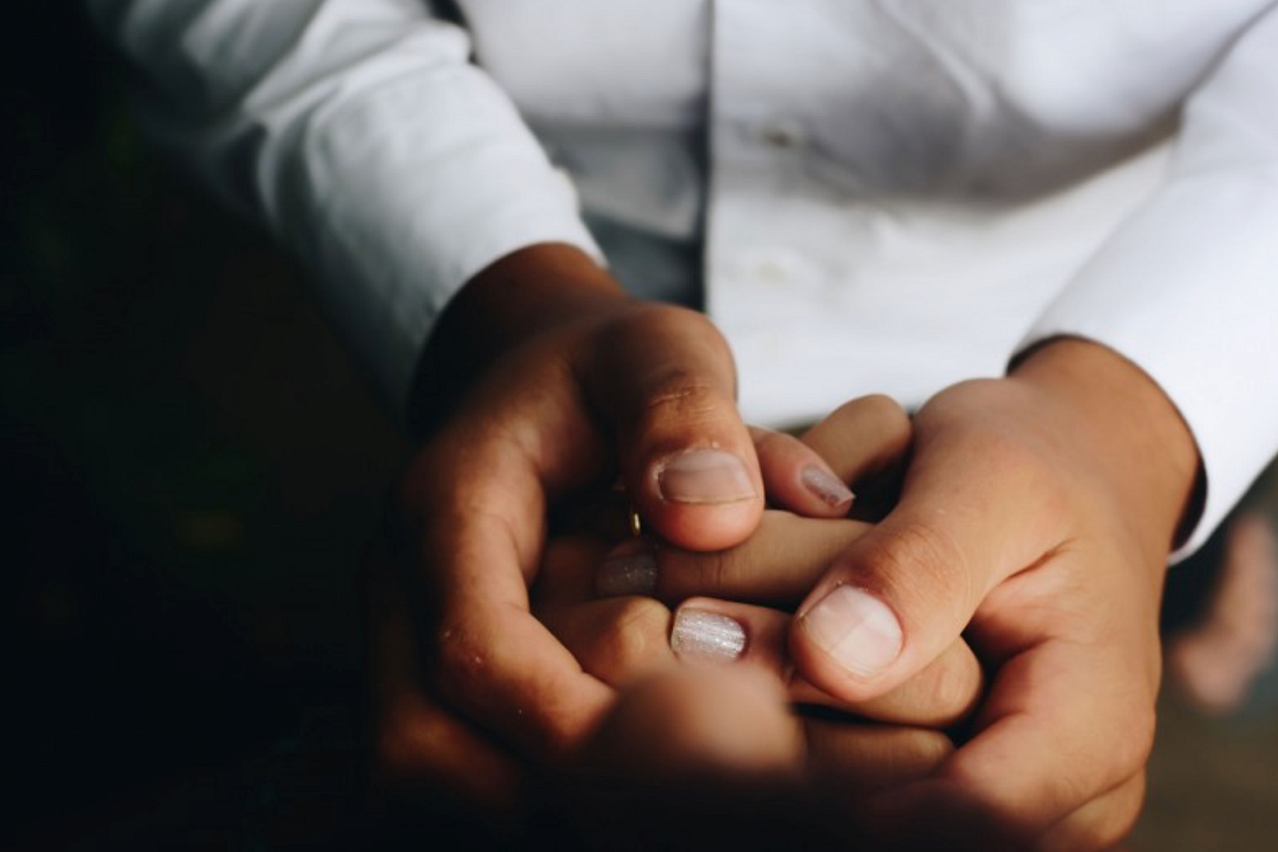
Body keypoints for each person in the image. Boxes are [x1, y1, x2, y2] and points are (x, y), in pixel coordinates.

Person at [90, 1, 1278, 848]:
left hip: (1107, 311)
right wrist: (499, 309)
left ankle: (1200, 594)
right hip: (506, 315)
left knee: (1128, 604)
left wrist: (1137, 432)